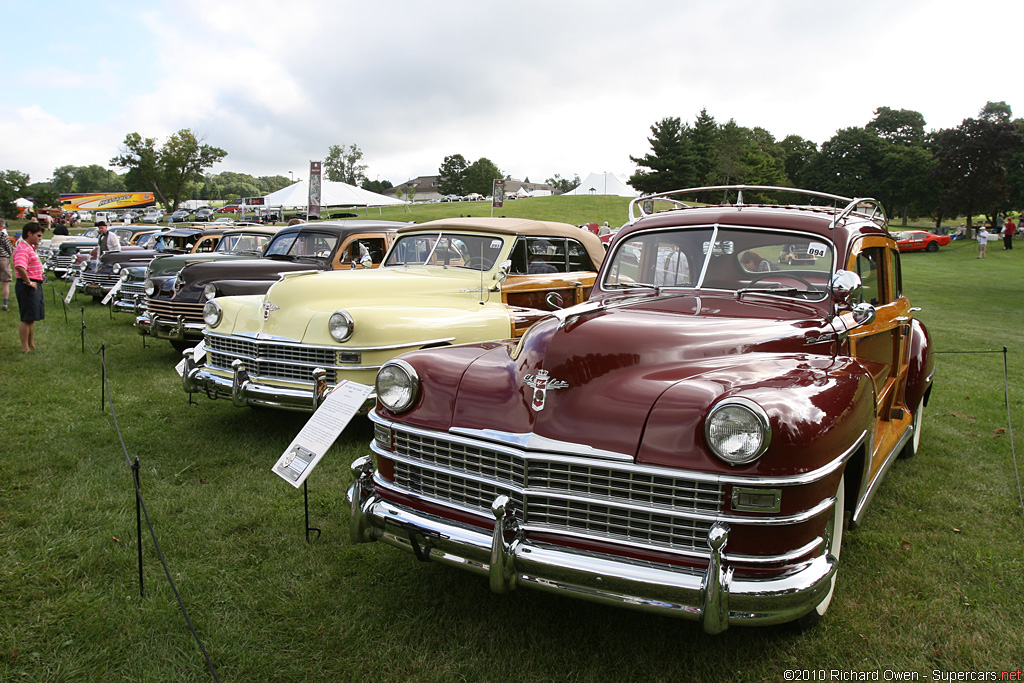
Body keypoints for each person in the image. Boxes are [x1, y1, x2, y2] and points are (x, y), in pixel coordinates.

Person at [13, 221, 45, 352]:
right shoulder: (23, 248)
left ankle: (30, 343)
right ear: (29, 234)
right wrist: (28, 282)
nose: (40, 238)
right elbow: (20, 266)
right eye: (38, 236)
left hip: (34, 284)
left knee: (32, 316)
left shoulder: (29, 247)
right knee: (26, 317)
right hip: (27, 286)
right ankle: (24, 347)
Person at [0, 220, 14, 311]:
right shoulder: (3, 236)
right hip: (2, 258)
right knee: (5, 283)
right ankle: (5, 304)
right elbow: (9, 248)